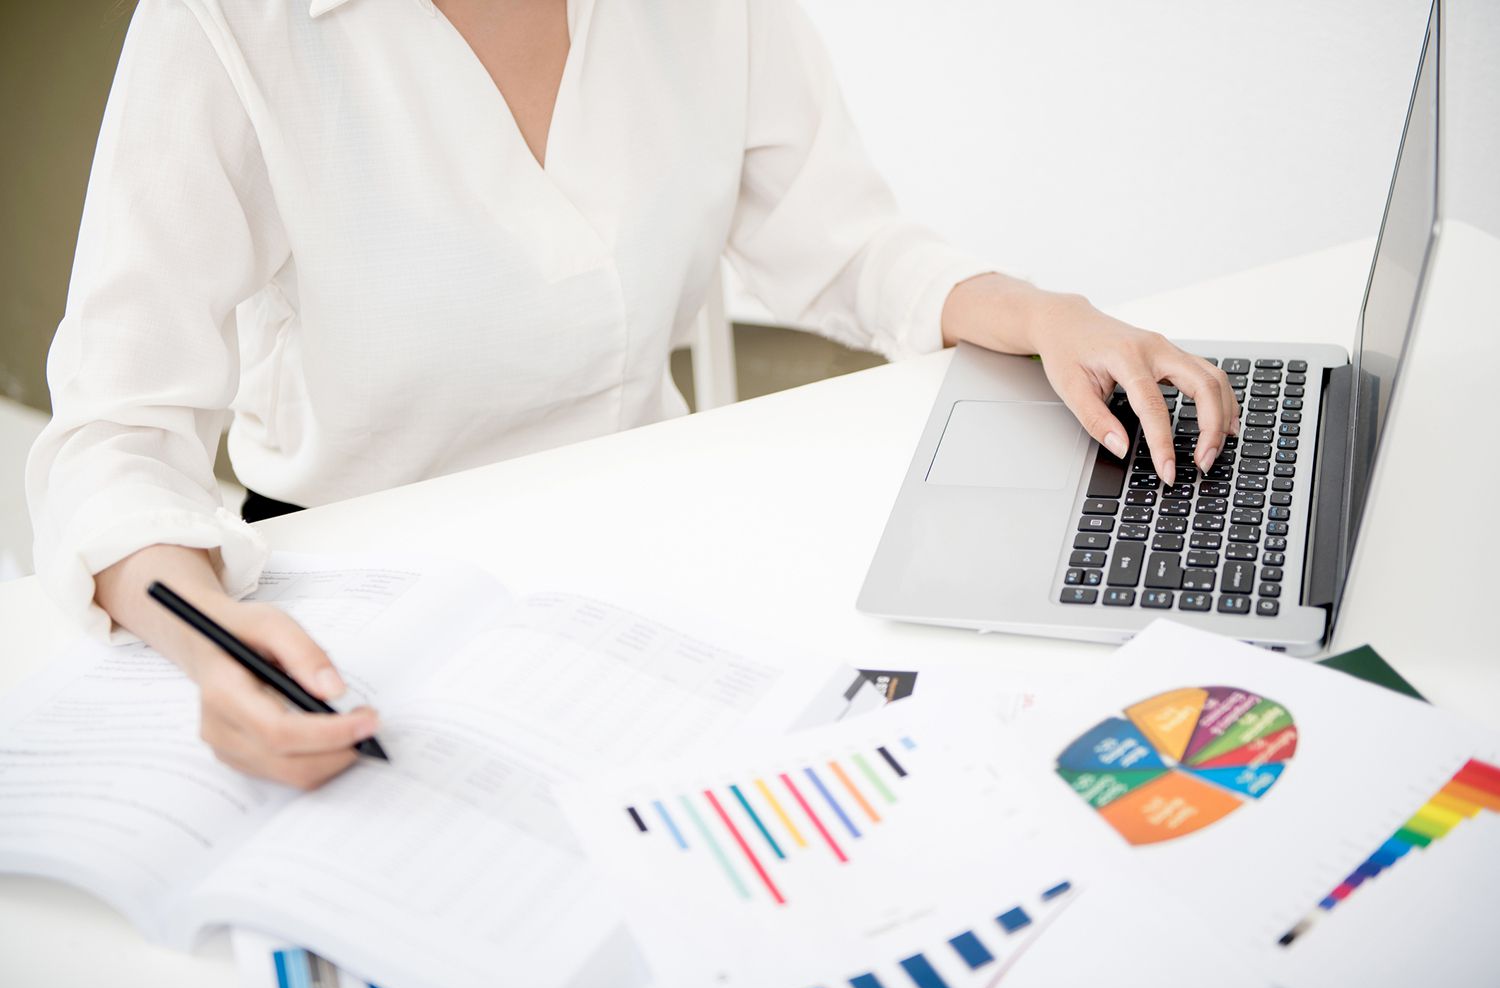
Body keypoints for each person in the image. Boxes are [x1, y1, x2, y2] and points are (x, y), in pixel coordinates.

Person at [26, 0, 1237, 789]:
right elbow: (113, 436)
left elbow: (844, 242)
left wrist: (1041, 313)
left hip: (644, 553)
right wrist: (207, 639)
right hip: (358, 609)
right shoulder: (227, 25)